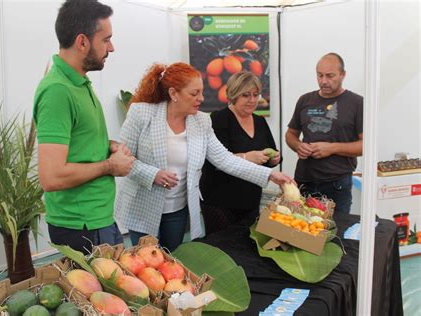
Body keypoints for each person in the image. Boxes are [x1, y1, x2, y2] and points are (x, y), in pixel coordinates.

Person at [114, 62, 294, 251]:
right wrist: (153, 174)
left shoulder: (201, 121)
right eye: (194, 94)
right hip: (142, 207)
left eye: (201, 92)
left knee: (173, 258)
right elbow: (123, 159)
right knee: (145, 262)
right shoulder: (141, 113)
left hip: (178, 208)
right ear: (174, 93)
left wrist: (270, 175)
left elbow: (225, 159)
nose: (201, 98)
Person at [33, 0, 135, 254]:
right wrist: (110, 166)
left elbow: (78, 143)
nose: (111, 47)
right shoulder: (58, 91)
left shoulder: (80, 83)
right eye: (106, 39)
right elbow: (51, 176)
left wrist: (108, 147)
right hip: (82, 226)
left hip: (97, 219)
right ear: (82, 42)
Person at [199, 71, 282, 235]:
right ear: (233, 94)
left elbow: (271, 153)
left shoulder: (260, 121)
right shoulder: (219, 119)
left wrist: (275, 158)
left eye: (255, 95)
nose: (252, 100)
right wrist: (247, 156)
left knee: (245, 249)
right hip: (220, 201)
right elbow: (215, 160)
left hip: (250, 200)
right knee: (222, 248)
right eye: (246, 95)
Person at [285, 52, 363, 214]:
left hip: (337, 184)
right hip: (304, 180)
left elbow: (366, 146)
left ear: (343, 74)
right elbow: (290, 135)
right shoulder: (305, 100)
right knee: (301, 230)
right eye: (319, 75)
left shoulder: (357, 103)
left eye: (330, 76)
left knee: (336, 232)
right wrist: (298, 146)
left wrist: (332, 148)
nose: (324, 81)